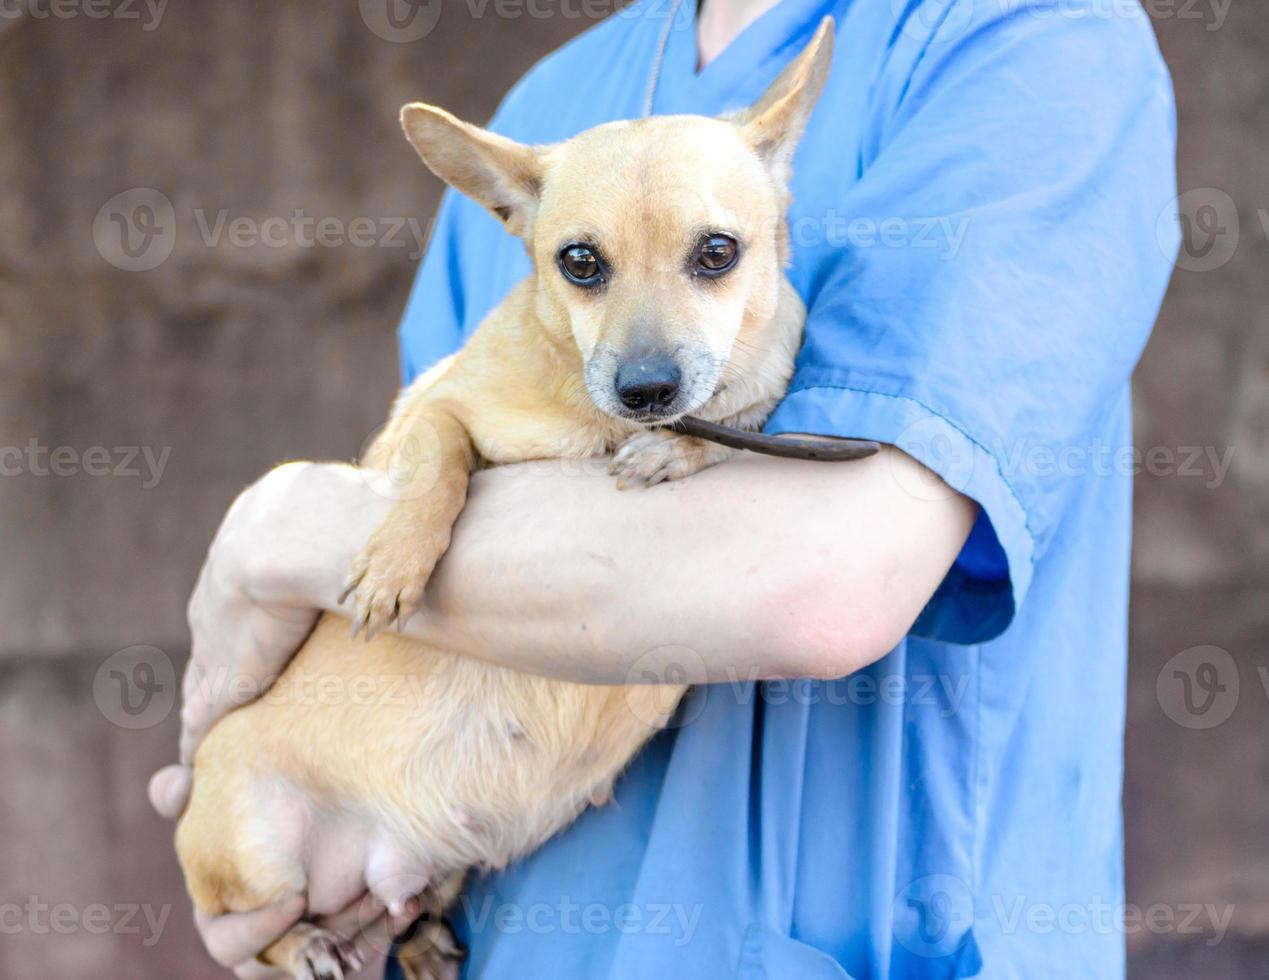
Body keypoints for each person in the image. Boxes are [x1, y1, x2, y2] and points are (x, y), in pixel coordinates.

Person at [149, 0, 1179, 975]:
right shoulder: (544, 110)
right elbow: (430, 498)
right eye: (587, 266)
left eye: (714, 256)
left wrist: (281, 532)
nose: (649, 361)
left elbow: (821, 579)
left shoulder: (1027, 39)